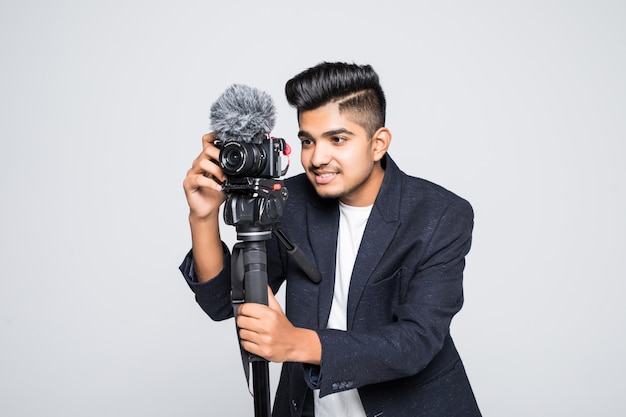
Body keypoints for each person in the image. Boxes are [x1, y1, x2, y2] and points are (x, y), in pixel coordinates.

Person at [180, 62, 482, 417]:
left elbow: (417, 342)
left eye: (337, 139)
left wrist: (298, 343)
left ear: (378, 143)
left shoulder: (439, 214)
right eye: (307, 140)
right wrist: (202, 217)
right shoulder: (289, 201)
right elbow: (221, 303)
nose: (317, 158)